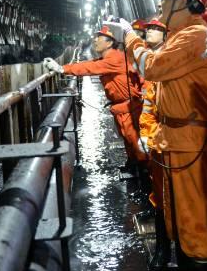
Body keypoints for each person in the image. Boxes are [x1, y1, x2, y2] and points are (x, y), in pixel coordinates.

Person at [105, 0, 207, 271]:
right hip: (174, 136)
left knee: (193, 221)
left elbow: (152, 67)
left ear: (187, 2)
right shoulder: (179, 38)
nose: (161, 4)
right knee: (176, 218)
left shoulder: (195, 36)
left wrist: (129, 37)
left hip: (191, 137)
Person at [43, 25, 147, 169]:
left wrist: (62, 69)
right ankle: (135, 168)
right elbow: (92, 63)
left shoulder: (115, 59)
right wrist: (64, 68)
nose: (95, 40)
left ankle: (145, 174)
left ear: (109, 43)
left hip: (130, 108)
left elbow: (90, 68)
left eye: (99, 38)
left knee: (136, 142)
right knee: (129, 140)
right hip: (122, 107)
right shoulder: (109, 58)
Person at [135, 19, 170, 271]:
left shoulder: (170, 60)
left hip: (181, 141)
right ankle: (162, 249)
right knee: (159, 196)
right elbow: (149, 105)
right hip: (160, 139)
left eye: (156, 28)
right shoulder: (154, 64)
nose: (150, 31)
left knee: (181, 200)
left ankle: (176, 253)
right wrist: (147, 135)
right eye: (149, 28)